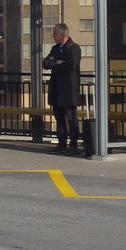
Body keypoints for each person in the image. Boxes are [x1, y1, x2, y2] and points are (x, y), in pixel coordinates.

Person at [43, 22, 82, 154]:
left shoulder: (74, 48)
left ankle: (74, 145)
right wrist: (57, 62)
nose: (53, 36)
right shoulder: (55, 48)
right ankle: (61, 144)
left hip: (69, 90)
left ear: (62, 34)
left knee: (71, 118)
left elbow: (70, 66)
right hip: (56, 89)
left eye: (55, 33)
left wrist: (54, 63)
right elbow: (45, 63)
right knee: (59, 118)